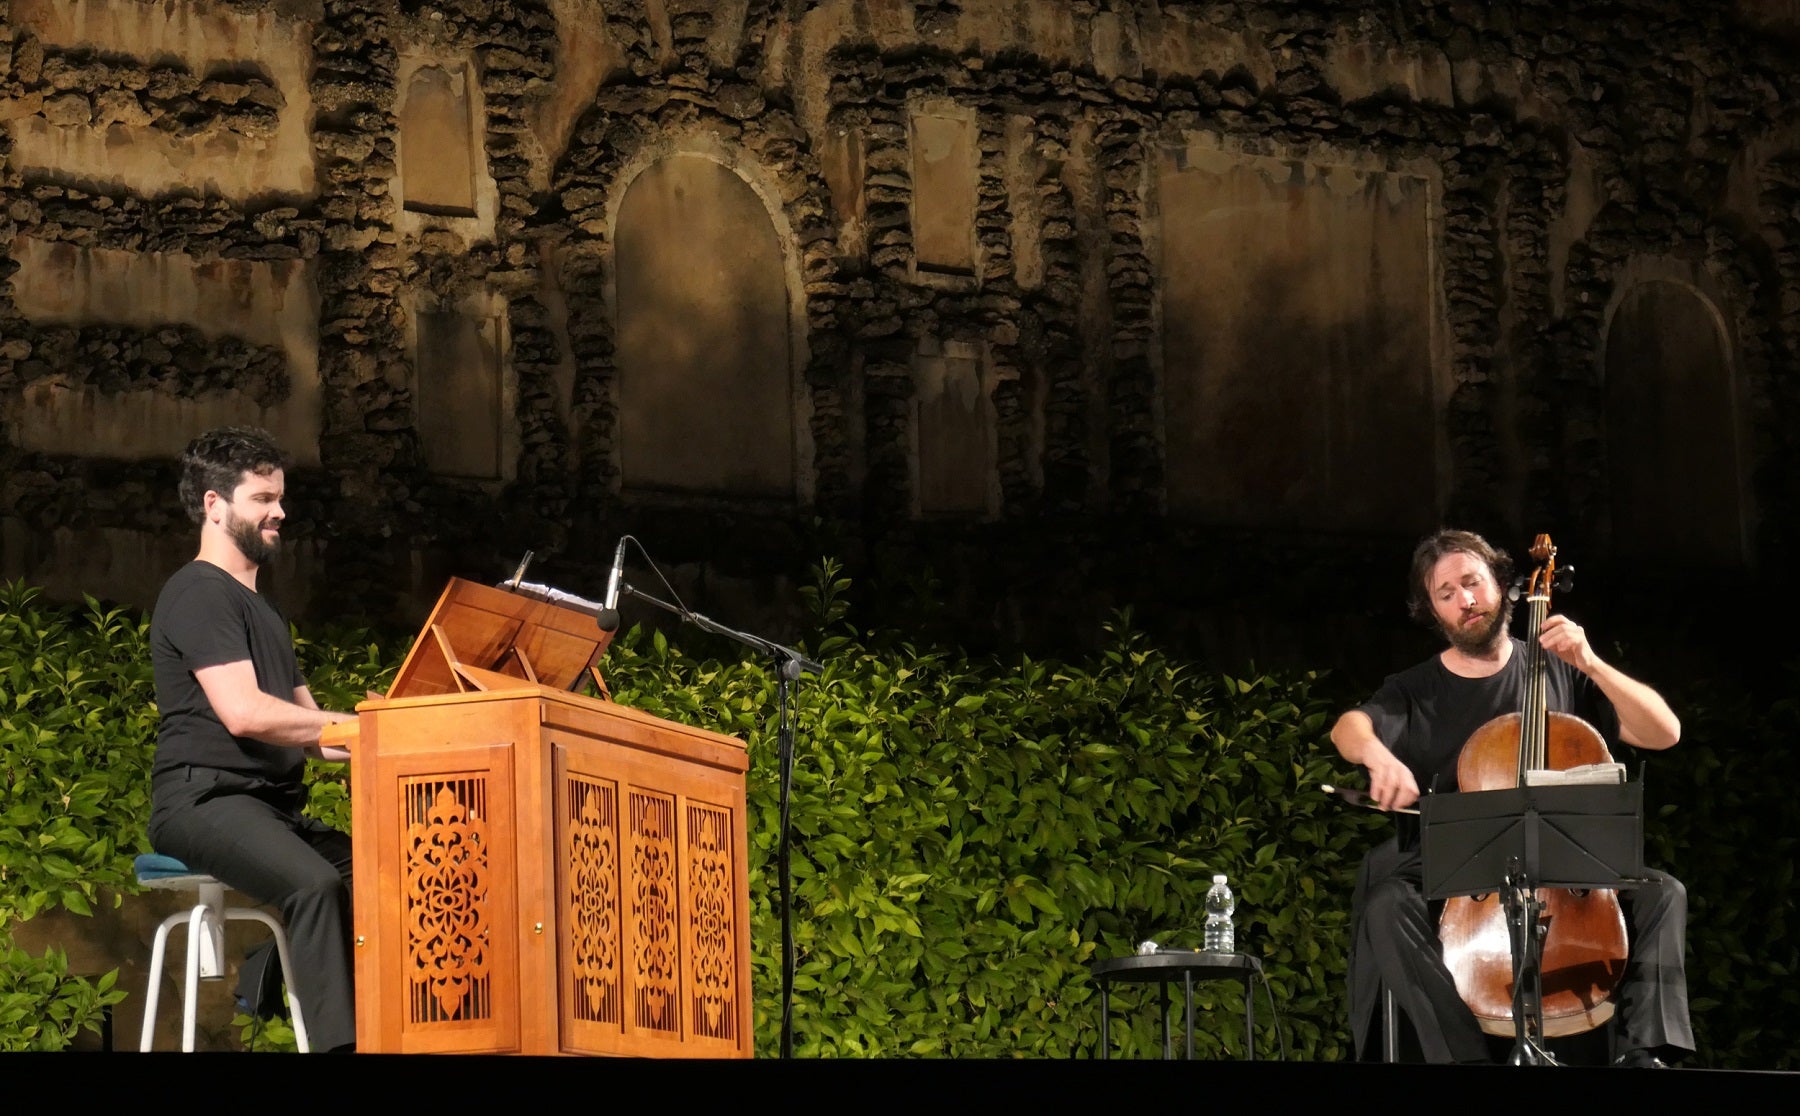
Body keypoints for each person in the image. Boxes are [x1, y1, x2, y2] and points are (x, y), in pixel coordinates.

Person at [1329, 528, 1693, 1067]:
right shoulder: (1414, 688)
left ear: (1503, 585)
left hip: (1563, 865)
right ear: (1432, 610)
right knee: (1386, 905)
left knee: (1664, 892)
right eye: (1446, 593)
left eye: (1472, 583)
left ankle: (1642, 1056)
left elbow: (1665, 732)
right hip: (1458, 870)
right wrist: (1379, 757)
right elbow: (1348, 728)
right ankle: (1463, 1061)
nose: (1465, 601)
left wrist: (1591, 661)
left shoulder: (1562, 671)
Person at [147, 426, 358, 1053]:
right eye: (263, 498)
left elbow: (318, 735)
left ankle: (276, 971)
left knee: (393, 876)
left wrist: (415, 737)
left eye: (281, 498)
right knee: (314, 885)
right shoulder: (199, 592)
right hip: (202, 803)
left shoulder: (264, 609)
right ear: (215, 504)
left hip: (269, 809)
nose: (280, 512)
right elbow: (244, 714)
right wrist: (364, 729)